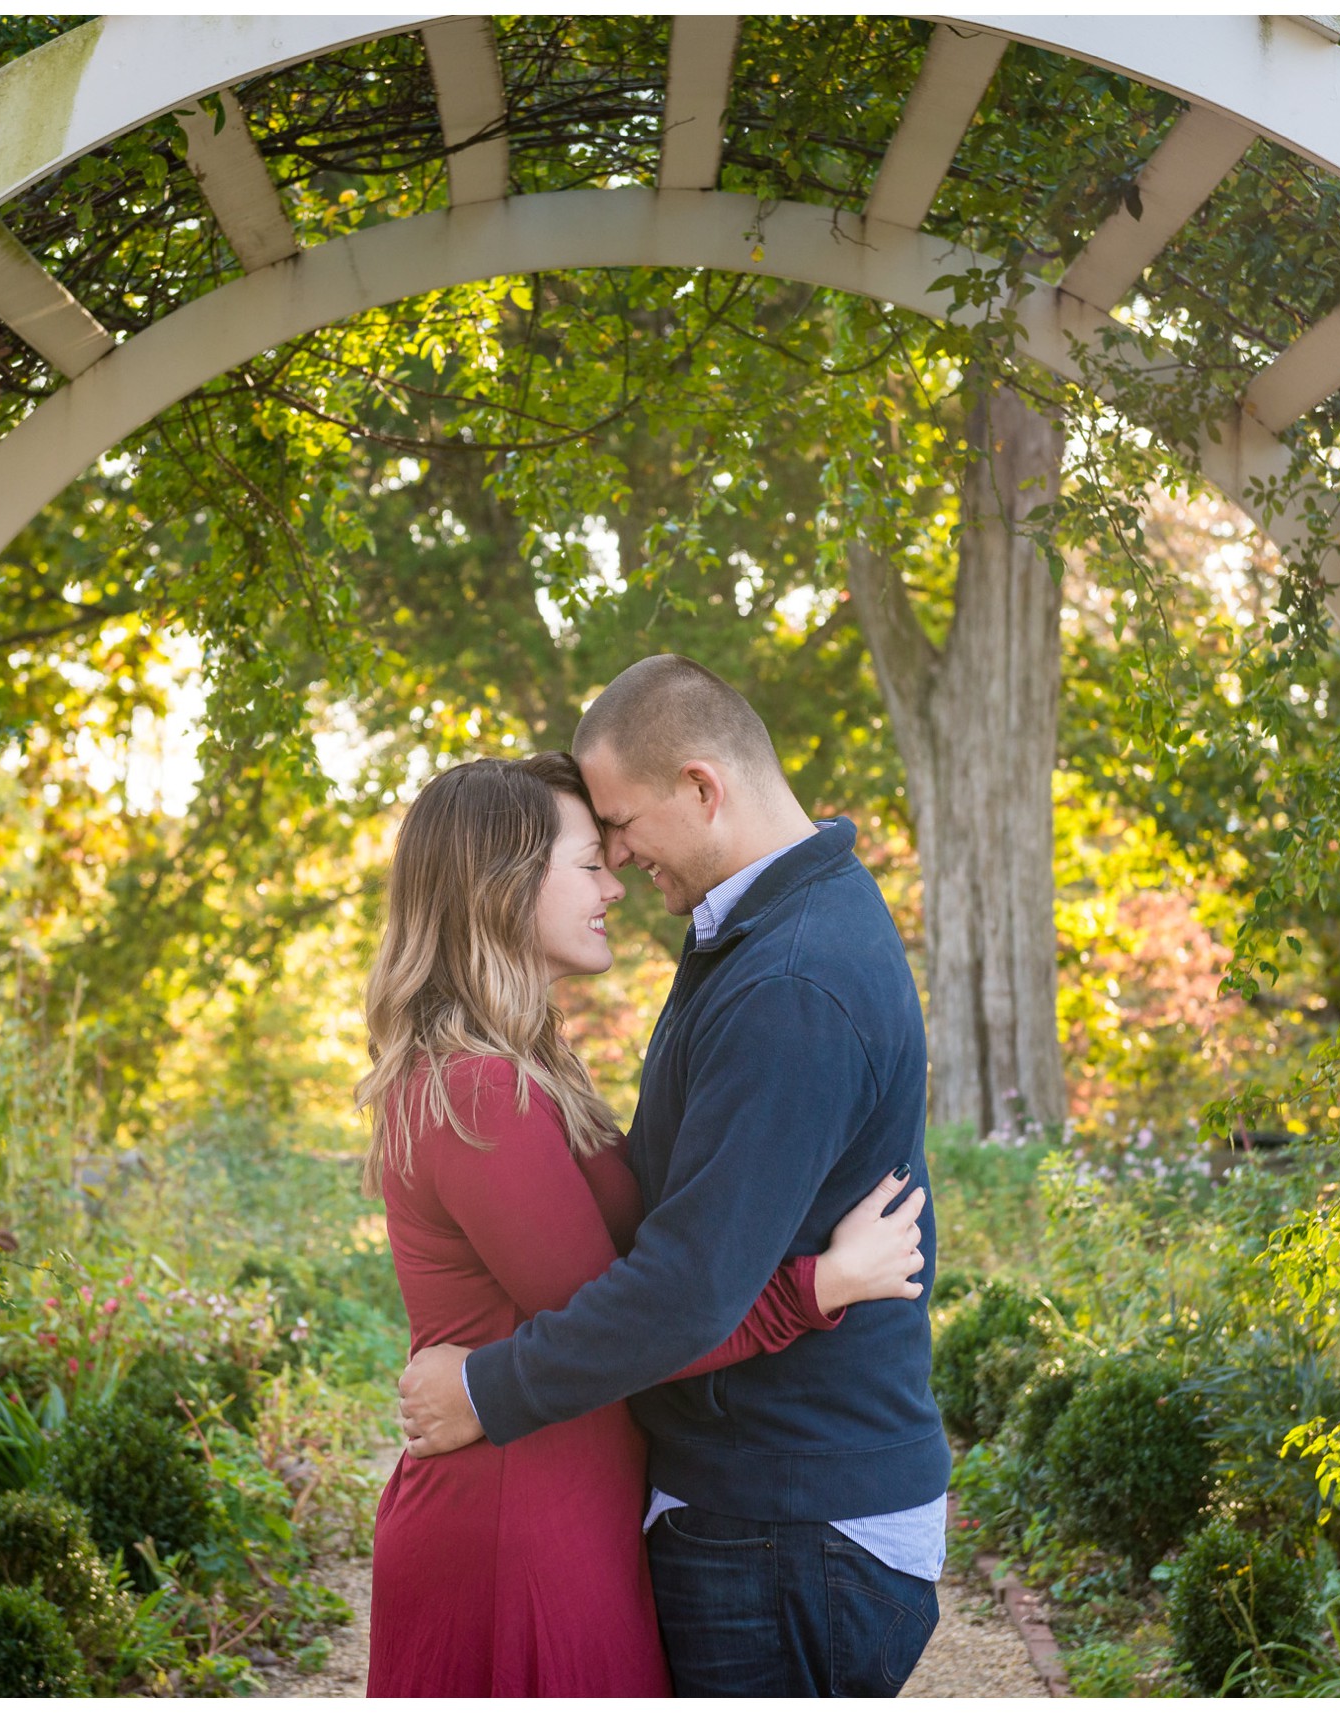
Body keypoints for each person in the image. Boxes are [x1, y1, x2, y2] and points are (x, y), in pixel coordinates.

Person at [399, 655, 948, 1696]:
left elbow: (682, 1290)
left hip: (788, 1520)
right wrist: (817, 1284)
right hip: (762, 1507)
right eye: (591, 845)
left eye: (620, 824)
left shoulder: (790, 977)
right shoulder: (764, 938)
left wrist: (485, 1387)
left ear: (702, 787)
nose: (614, 860)